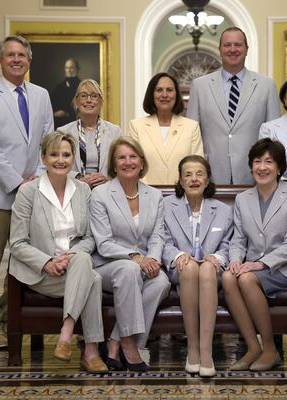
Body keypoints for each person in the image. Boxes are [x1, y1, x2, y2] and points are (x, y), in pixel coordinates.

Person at [0, 35, 53, 349]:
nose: (16, 60)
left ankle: (8, 317)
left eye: (22, 55)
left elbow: (49, 141)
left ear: (29, 60)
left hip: (32, 194)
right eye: (10, 55)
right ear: (0, 60)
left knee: (25, 262)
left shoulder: (42, 95)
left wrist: (39, 179)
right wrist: (19, 183)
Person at [9, 132, 107, 373]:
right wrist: (47, 262)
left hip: (74, 266)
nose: (60, 160)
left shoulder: (83, 191)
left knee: (84, 260)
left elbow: (89, 238)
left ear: (73, 158)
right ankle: (90, 351)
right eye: (54, 154)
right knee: (93, 279)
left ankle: (67, 332)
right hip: (41, 274)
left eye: (66, 154)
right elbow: (17, 243)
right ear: (43, 157)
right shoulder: (28, 192)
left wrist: (71, 257)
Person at [223, 138, 287, 371]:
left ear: (279, 168)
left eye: (269, 162)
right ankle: (253, 348)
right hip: (251, 266)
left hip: (285, 267)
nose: (262, 167)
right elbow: (238, 239)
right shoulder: (243, 199)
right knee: (229, 276)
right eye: (257, 161)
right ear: (251, 166)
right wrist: (236, 260)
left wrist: (259, 264)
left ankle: (270, 349)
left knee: (247, 278)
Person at [90, 136, 171, 372]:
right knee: (128, 269)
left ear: (142, 162)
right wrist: (135, 257)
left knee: (162, 282)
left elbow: (158, 236)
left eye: (133, 156)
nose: (128, 162)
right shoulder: (101, 194)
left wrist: (154, 259)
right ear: (113, 164)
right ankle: (130, 344)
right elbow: (103, 243)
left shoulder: (154, 196)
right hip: (108, 263)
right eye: (121, 157)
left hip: (144, 263)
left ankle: (115, 339)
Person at [162, 155, 233, 377]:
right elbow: (160, 240)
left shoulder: (222, 209)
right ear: (181, 181)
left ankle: (206, 351)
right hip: (180, 268)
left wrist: (219, 258)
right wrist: (178, 255)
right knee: (191, 267)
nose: (194, 179)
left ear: (208, 179)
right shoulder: (165, 206)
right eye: (188, 175)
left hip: (212, 272)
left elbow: (230, 244)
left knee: (205, 268)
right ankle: (193, 349)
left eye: (199, 174)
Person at [187, 26, 280, 185]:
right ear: (220, 49)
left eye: (238, 45)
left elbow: (274, 136)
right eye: (227, 45)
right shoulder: (199, 86)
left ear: (246, 49)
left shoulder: (266, 85)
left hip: (255, 175)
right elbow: (191, 135)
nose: (233, 49)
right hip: (210, 175)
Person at [128, 72, 203, 185]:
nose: (164, 95)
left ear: (176, 95)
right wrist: (146, 193)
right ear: (151, 95)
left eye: (169, 90)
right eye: (159, 90)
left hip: (182, 196)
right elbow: (132, 165)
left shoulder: (191, 127)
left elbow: (197, 167)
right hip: (146, 196)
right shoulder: (136, 126)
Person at [57, 79, 121, 189]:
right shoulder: (63, 132)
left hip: (106, 191)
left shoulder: (115, 131)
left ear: (101, 102)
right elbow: (57, 165)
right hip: (74, 190)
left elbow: (121, 163)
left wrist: (106, 178)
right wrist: (78, 177)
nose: (89, 100)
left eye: (94, 96)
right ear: (76, 102)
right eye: (83, 96)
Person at [52, 58, 81, 128]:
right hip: (59, 123)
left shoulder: (81, 86)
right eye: (66, 68)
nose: (69, 70)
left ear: (76, 69)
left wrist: (66, 113)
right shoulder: (59, 87)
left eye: (71, 68)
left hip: (76, 123)